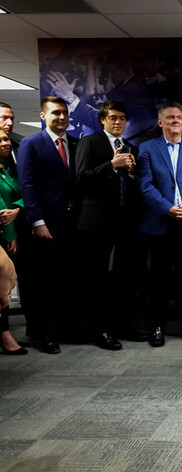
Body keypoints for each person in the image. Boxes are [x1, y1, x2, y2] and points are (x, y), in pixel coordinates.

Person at [136, 101, 182, 347]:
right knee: (158, 279)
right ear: (160, 122)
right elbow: (145, 185)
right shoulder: (147, 148)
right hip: (159, 223)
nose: (175, 121)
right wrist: (168, 208)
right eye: (170, 117)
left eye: (179, 117)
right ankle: (157, 327)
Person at [75, 100, 143, 350]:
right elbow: (81, 178)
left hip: (125, 222)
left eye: (122, 118)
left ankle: (123, 326)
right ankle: (100, 330)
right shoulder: (89, 143)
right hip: (96, 222)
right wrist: (112, 166)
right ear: (102, 119)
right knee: (97, 279)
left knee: (125, 277)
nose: (118, 122)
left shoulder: (130, 147)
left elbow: (135, 188)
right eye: (113, 117)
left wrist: (132, 173)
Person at [17, 97, 80, 354]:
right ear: (44, 116)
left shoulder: (75, 144)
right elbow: (28, 185)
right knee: (44, 282)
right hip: (45, 225)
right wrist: (37, 221)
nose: (62, 117)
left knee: (66, 278)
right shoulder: (31, 144)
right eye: (56, 113)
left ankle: (63, 329)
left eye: (65, 113)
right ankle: (45, 335)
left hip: (72, 223)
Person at [0, 128, 27, 355]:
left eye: (6, 138)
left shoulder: (12, 168)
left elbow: (25, 192)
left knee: (4, 289)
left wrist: (19, 209)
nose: (4, 143)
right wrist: (12, 235)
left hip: (16, 227)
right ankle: (4, 335)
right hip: (5, 234)